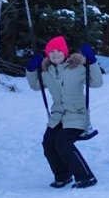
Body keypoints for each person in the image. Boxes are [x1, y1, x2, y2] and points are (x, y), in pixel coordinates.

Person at [26, 35, 103, 188]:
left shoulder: (78, 68)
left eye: (58, 51)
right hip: (58, 117)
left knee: (63, 142)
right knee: (48, 144)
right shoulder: (46, 72)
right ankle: (63, 175)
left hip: (77, 115)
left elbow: (97, 82)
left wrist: (92, 61)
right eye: (51, 51)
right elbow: (35, 85)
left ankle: (86, 177)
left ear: (65, 53)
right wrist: (30, 69)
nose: (55, 54)